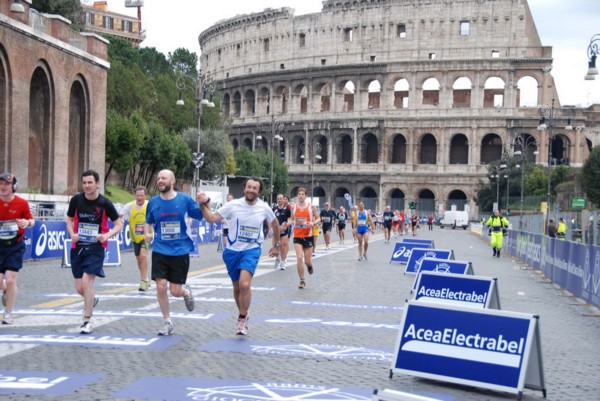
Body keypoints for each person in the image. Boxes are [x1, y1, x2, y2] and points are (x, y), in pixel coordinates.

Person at [197, 177, 280, 335]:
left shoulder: (264, 207)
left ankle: (242, 319)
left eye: (254, 188)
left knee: (244, 285)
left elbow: (275, 223)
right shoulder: (234, 204)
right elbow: (212, 218)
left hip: (252, 249)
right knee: (236, 287)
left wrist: (276, 245)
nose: (251, 190)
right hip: (232, 251)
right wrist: (202, 204)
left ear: (259, 191)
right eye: (248, 187)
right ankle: (243, 312)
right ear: (244, 188)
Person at [144, 169, 201, 336]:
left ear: (172, 181)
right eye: (159, 178)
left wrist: (205, 202)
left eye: (164, 178)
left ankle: (186, 292)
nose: (160, 180)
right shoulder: (153, 202)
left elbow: (201, 215)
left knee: (175, 291)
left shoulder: (184, 200)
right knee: (160, 287)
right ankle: (167, 321)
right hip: (160, 249)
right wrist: (148, 233)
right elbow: (149, 221)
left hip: (180, 250)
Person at [66, 170, 123, 334]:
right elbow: (69, 219)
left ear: (97, 183)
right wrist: (72, 234)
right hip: (78, 247)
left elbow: (118, 225)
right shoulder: (76, 200)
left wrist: (105, 236)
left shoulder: (105, 203)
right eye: (84, 183)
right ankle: (91, 299)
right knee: (79, 288)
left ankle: (87, 320)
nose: (87, 186)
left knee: (86, 281)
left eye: (90, 182)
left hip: (96, 248)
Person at [0, 173, 34, 325]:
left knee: (11, 280)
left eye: (6, 184)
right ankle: (5, 290)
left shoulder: (22, 203)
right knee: (1, 281)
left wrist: (26, 222)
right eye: (1, 184)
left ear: (14, 186)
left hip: (15, 245)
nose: (3, 187)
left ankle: (8, 312)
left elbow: (32, 221)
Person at [119, 186, 152, 292]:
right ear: (135, 195)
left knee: (143, 255)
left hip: (147, 235)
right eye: (137, 195)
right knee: (139, 258)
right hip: (134, 236)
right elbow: (119, 215)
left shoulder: (149, 205)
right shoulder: (130, 206)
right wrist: (120, 220)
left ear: (145, 195)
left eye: (141, 196)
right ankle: (146, 277)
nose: (139, 198)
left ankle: (143, 281)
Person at [291, 188, 320, 289]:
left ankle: (309, 266)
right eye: (299, 194)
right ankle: (302, 280)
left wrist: (313, 223)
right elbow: (292, 220)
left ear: (305, 196)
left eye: (302, 194)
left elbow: (319, 218)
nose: (301, 196)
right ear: (297, 196)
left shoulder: (311, 207)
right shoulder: (294, 207)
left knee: (307, 261)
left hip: (308, 236)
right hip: (297, 235)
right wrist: (287, 224)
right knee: (299, 257)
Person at [272, 194, 291, 270]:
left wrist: (287, 224)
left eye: (281, 198)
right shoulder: (274, 209)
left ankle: (283, 263)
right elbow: (271, 220)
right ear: (277, 200)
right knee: (276, 246)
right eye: (278, 198)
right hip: (276, 231)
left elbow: (290, 219)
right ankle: (278, 258)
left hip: (284, 231)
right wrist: (271, 229)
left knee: (283, 247)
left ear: (283, 199)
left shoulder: (287, 210)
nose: (279, 200)